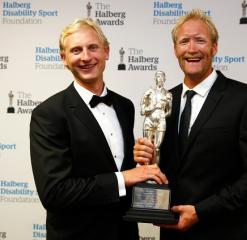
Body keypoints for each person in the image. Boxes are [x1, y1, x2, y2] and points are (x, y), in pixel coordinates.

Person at [133, 9, 247, 240]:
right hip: (172, 233)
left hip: (226, 232)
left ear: (214, 47)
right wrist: (148, 157)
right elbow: (170, 166)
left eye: (200, 40)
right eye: (184, 42)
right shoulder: (164, 103)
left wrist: (202, 211)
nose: (191, 49)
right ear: (175, 50)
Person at [30, 18, 167, 240]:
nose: (86, 57)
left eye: (93, 47)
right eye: (76, 50)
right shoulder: (49, 114)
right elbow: (54, 193)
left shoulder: (125, 106)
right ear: (63, 58)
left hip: (125, 233)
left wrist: (143, 162)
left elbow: (124, 169)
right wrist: (125, 177)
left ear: (106, 51)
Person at [141, 70, 172, 164]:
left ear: (165, 79)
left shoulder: (168, 94)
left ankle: (154, 172)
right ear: (155, 79)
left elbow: (169, 112)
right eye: (158, 76)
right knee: (147, 149)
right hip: (149, 120)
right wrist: (152, 107)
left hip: (161, 121)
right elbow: (142, 111)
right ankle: (146, 173)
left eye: (162, 76)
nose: (160, 78)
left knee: (157, 148)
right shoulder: (149, 92)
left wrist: (163, 115)